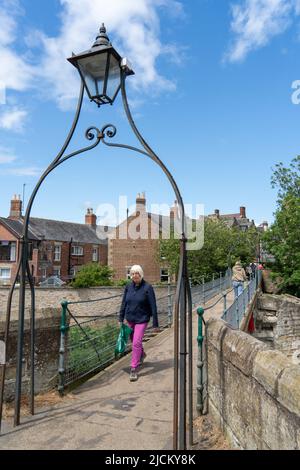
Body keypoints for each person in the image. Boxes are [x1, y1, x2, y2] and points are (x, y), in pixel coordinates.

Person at [119, 265, 159, 382]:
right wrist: (120, 318)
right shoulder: (128, 287)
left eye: (137, 273)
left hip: (142, 319)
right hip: (130, 318)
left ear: (141, 274)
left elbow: (153, 306)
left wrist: (155, 323)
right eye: (133, 274)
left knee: (136, 342)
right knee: (134, 341)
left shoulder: (148, 287)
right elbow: (123, 303)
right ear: (131, 275)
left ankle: (134, 368)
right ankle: (141, 354)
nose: (135, 276)